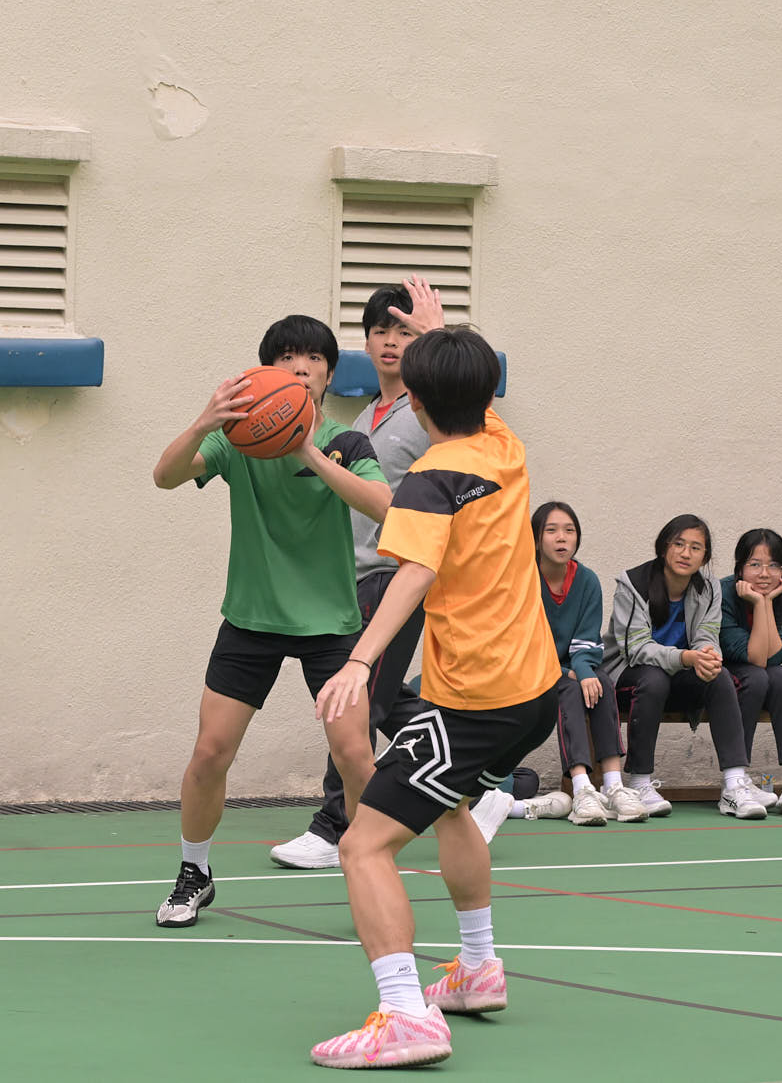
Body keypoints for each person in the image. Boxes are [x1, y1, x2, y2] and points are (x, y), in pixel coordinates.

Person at [309, 286, 561, 1069]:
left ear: (413, 401)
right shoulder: (504, 448)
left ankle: (404, 1015)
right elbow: (468, 388)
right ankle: (478, 967)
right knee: (451, 805)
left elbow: (414, 571)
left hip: (474, 699)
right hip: (535, 688)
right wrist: (437, 332)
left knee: (363, 845)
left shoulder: (430, 477)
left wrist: (359, 660)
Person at [148, 314, 394, 928]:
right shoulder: (239, 439)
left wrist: (307, 448)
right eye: (287, 357)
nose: (300, 368)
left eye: (314, 359)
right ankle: (194, 872)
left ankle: (368, 872)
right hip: (252, 619)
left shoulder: (347, 443)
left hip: (330, 623)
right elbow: (164, 476)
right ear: (266, 371)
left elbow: (385, 507)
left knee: (355, 756)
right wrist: (205, 421)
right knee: (210, 753)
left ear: (329, 375)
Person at [270, 284, 507, 869]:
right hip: (351, 576)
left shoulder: (425, 412)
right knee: (390, 700)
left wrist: (437, 335)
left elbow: (475, 425)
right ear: (367, 342)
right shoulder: (363, 417)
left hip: (396, 573)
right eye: (382, 330)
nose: (392, 341)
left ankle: (334, 827)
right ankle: (483, 788)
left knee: (353, 705)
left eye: (404, 330)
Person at [609, 516, 769, 820]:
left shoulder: (708, 587)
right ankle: (640, 783)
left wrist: (708, 656)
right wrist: (685, 657)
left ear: (705, 556)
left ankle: (734, 785)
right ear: (663, 547)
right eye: (679, 544)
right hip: (631, 676)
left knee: (719, 676)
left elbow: (707, 635)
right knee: (654, 679)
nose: (686, 553)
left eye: (696, 548)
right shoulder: (633, 583)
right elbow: (635, 648)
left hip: (679, 674)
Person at [520, 500, 645, 825]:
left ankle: (613, 786)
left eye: (569, 530)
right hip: (531, 666)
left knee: (601, 682)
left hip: (576, 665)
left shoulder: (586, 580)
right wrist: (569, 672)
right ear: (536, 539)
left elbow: (588, 640)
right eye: (551, 530)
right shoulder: (522, 578)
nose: (562, 538)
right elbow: (525, 642)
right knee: (570, 688)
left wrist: (584, 670)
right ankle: (582, 789)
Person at [717, 529, 782, 815]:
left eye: (773, 565)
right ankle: (736, 782)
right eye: (754, 564)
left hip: (763, 669)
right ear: (739, 569)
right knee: (756, 678)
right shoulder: (723, 592)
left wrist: (769, 601)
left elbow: (777, 656)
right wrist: (761, 603)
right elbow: (755, 657)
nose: (764, 573)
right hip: (728, 671)